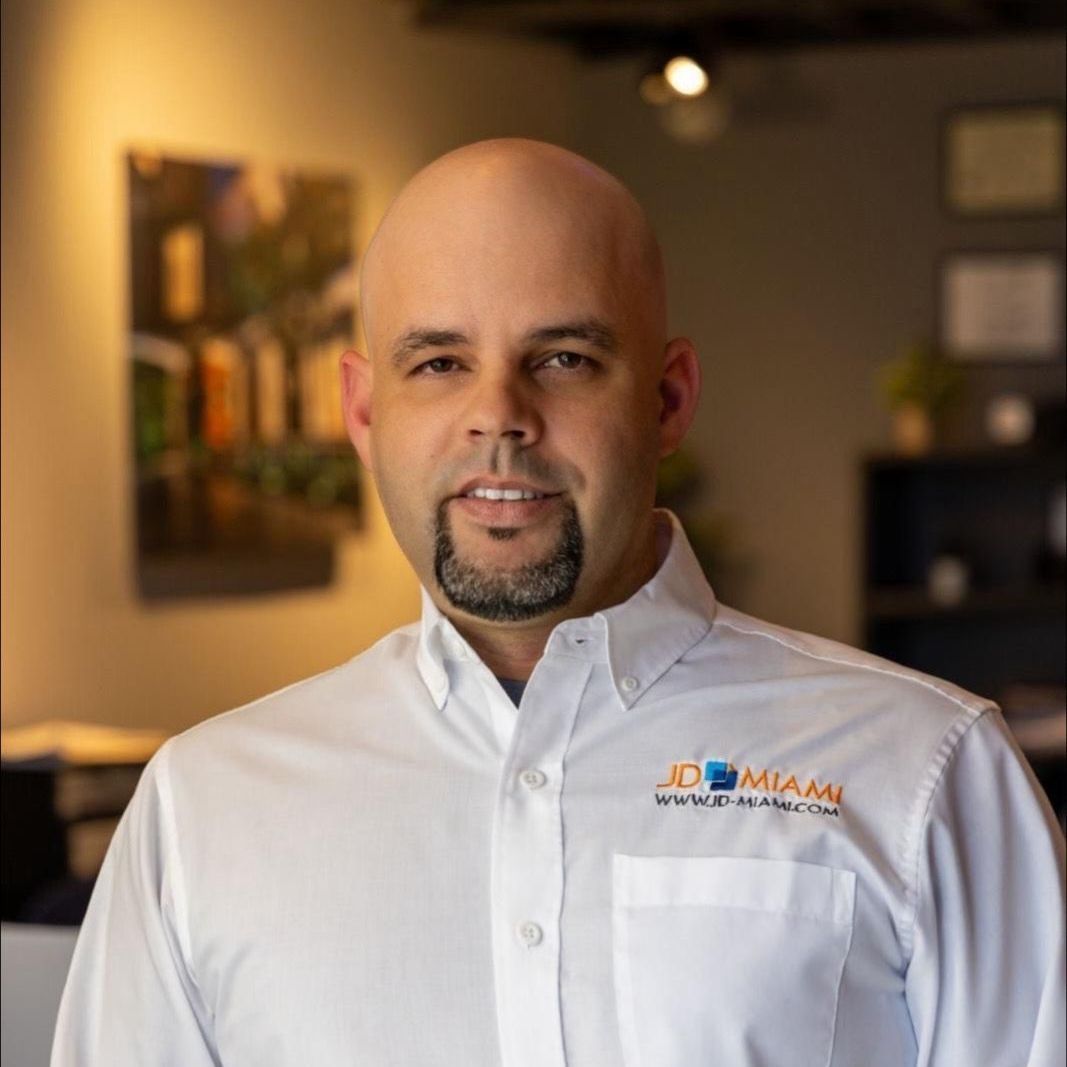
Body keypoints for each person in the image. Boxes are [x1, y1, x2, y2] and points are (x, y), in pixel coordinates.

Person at [53, 139, 1064, 1066]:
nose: (497, 414)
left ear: (666, 400)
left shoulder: (924, 775)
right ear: (364, 410)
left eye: (563, 359)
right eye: (439, 361)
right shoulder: (204, 810)